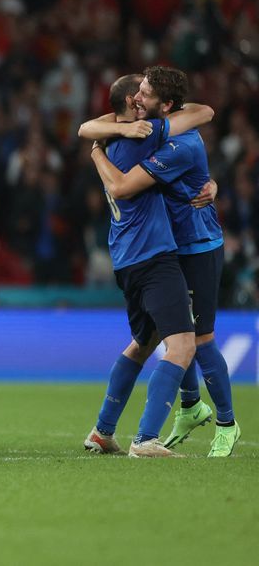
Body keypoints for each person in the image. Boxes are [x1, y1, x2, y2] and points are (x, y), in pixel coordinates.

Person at [79, 66, 240, 457]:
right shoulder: (143, 134)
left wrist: (100, 147)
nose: (140, 98)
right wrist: (112, 138)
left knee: (166, 340)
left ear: (163, 105)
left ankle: (221, 421)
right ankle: (152, 436)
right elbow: (203, 114)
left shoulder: (150, 135)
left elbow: (203, 114)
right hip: (157, 254)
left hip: (190, 246)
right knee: (182, 341)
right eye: (138, 93)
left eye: (147, 92)